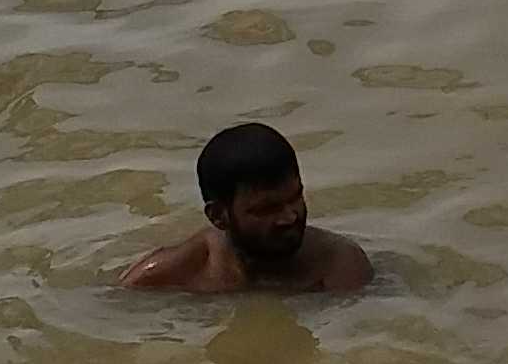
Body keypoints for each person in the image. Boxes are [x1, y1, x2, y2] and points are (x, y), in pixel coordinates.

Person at [117, 119, 371, 295]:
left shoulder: (339, 266)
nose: (289, 217)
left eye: (295, 197)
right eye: (266, 209)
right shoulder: (169, 275)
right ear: (219, 216)